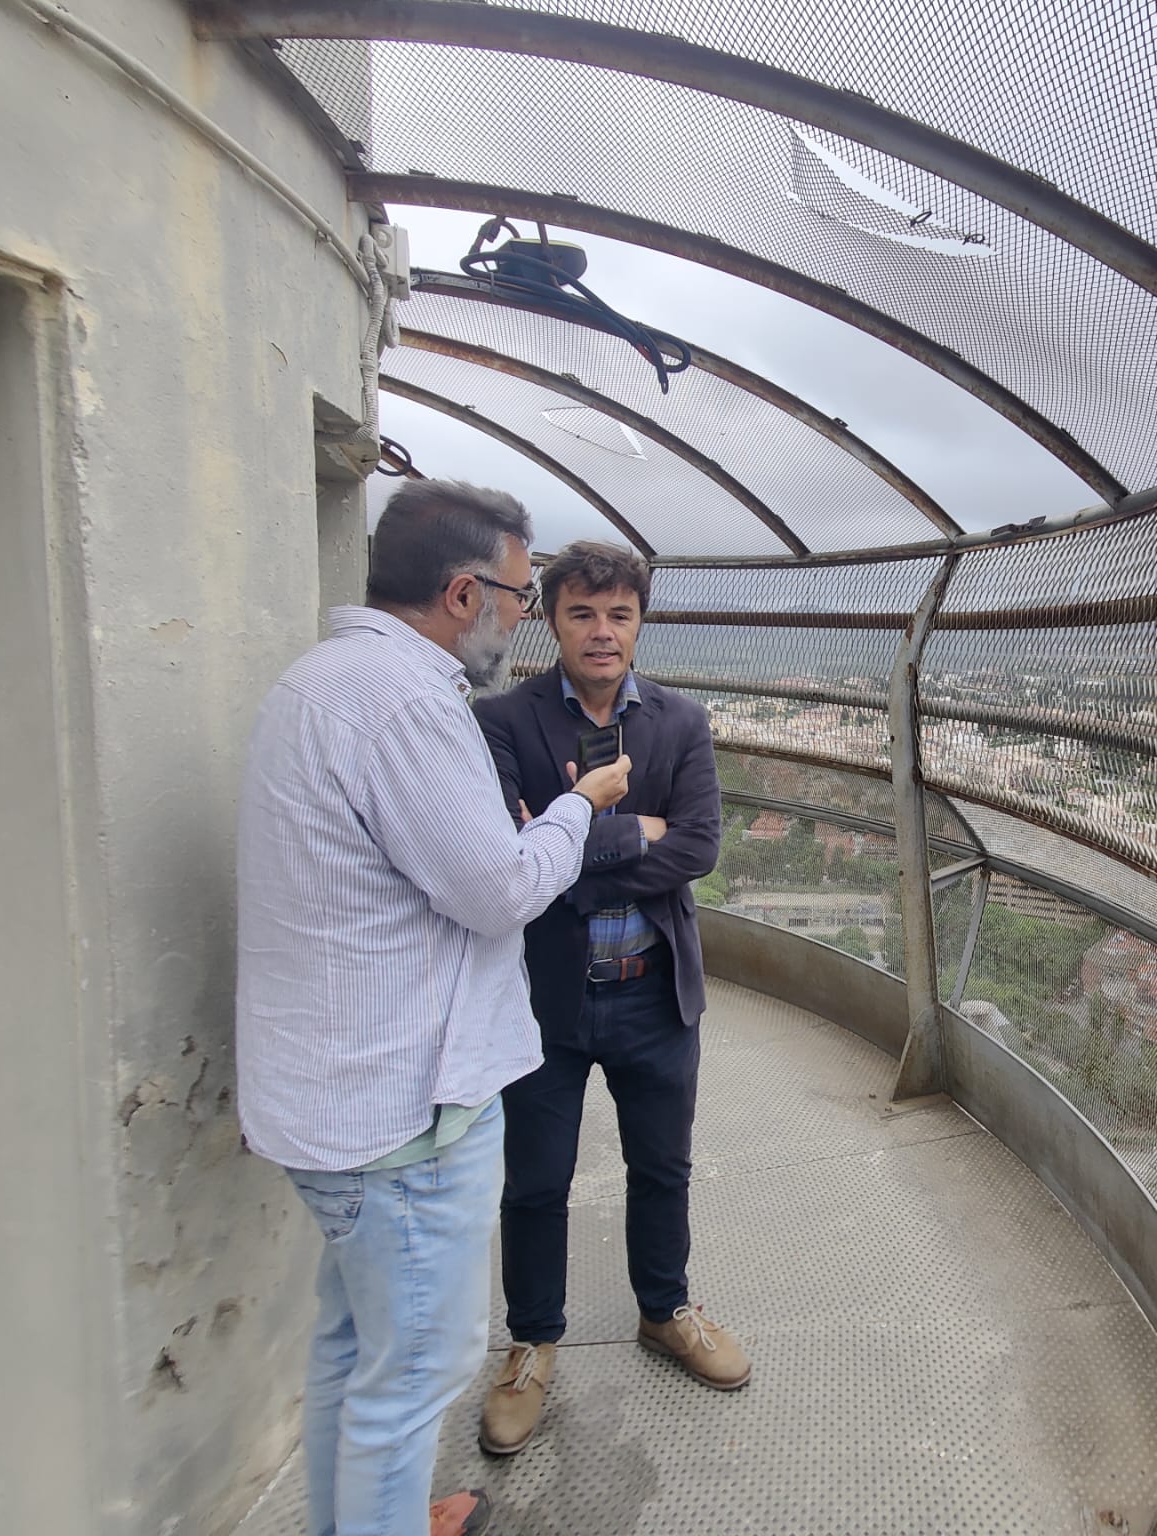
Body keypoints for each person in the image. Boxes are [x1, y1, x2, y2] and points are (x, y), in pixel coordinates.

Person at [235, 483, 631, 1536]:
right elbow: (499, 889)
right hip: (403, 1112)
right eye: (520, 594)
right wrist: (575, 809)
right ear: (463, 594)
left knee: (355, 1348)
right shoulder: (407, 704)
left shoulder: (326, 679)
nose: (523, 616)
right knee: (414, 1373)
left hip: (336, 1101)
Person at [472, 539, 744, 1459]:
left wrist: (570, 847)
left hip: (653, 992)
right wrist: (635, 831)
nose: (601, 631)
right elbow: (506, 856)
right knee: (536, 1182)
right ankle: (532, 1343)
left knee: (663, 1168)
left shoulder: (680, 722)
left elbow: (699, 846)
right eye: (582, 613)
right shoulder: (501, 721)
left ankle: (665, 1311)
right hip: (544, 1001)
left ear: (639, 624)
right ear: (552, 621)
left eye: (618, 614)